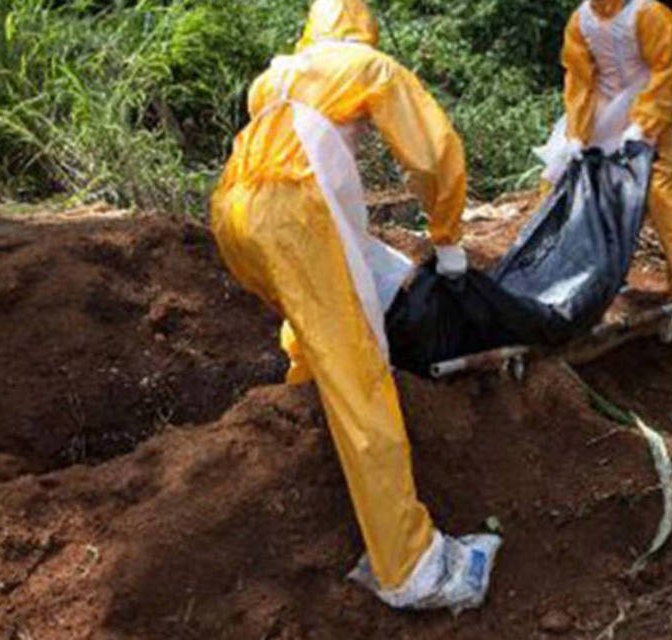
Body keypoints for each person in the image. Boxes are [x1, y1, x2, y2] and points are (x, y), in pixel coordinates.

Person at [210, 0, 500, 612]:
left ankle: (306, 380)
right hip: (294, 219)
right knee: (362, 379)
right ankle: (410, 567)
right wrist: (446, 240)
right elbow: (433, 152)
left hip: (233, 216)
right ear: (362, 26)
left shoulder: (276, 76)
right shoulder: (366, 67)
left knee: (316, 317)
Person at [536, 0, 672, 327]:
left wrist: (643, 125)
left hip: (668, 110)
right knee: (562, 181)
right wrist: (577, 133)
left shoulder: (649, 14)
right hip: (609, 109)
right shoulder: (581, 20)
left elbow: (668, 72)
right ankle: (583, 276)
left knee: (663, 194)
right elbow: (579, 81)